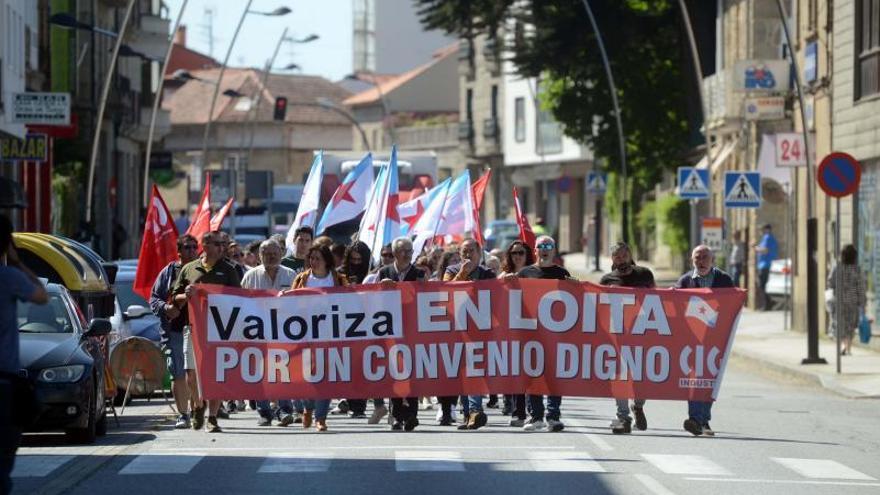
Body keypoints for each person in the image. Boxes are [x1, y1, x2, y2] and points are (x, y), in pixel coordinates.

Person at [171, 230, 241, 433]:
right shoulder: (189, 269)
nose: (221, 247)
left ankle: (212, 417)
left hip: (219, 329)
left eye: (223, 244)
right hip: (193, 327)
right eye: (217, 244)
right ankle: (197, 405)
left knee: (216, 373)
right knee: (190, 374)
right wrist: (186, 295)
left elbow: (238, 299)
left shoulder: (229, 270)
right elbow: (174, 297)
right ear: (205, 245)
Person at [1, 215, 49, 495]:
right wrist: (17, 261)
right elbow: (42, 295)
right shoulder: (9, 278)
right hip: (4, 382)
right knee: (3, 461)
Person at [505, 235, 571, 432]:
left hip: (555, 333)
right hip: (530, 332)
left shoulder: (562, 273)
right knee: (532, 375)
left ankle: (553, 416)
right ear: (535, 251)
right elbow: (511, 299)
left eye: (549, 245)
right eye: (541, 246)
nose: (545, 249)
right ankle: (536, 417)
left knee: (553, 376)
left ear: (554, 250)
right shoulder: (526, 272)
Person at [282, 244, 349, 432]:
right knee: (306, 375)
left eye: (318, 258)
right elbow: (290, 302)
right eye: (311, 258)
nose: (313, 261)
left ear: (326, 260)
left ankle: (321, 417)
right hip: (304, 334)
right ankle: (308, 408)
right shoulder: (302, 279)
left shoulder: (337, 279)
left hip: (329, 335)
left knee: (324, 377)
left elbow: (351, 301)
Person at [674, 245, 735, 437]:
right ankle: (695, 419)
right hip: (691, 341)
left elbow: (732, 305)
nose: (701, 262)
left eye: (704, 257)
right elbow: (675, 307)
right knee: (693, 379)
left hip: (715, 340)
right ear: (692, 261)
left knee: (709, 380)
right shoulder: (684, 281)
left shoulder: (724, 280)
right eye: (697, 258)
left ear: (712, 260)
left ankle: (703, 421)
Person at [599, 242, 655, 434]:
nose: (621, 259)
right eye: (617, 256)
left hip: (643, 334)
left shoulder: (644, 274)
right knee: (620, 377)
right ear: (612, 259)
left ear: (630, 256)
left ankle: (638, 405)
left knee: (644, 377)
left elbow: (658, 300)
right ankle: (623, 417)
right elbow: (599, 308)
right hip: (617, 337)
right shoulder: (607, 279)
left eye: (624, 255)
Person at [241, 240, 297, 426]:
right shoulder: (250, 277)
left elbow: (299, 302)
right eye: (266, 253)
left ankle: (285, 410)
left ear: (281, 254)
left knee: (283, 372)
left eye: (274, 253)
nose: (271, 256)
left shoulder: (291, 275)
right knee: (260, 374)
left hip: (284, 332)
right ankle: (264, 412)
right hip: (257, 333)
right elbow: (239, 303)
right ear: (260, 256)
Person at [444, 239, 497, 430]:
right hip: (457, 329)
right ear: (459, 253)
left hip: (479, 330)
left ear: (479, 252)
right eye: (464, 251)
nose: (468, 254)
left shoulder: (487, 273)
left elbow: (497, 296)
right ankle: (468, 414)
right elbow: (446, 291)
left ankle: (474, 410)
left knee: (474, 370)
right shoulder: (451, 271)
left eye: (471, 251)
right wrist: (463, 272)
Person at [149, 234, 199, 429]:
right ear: (179, 251)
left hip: (200, 330)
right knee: (178, 373)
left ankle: (198, 410)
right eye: (187, 247)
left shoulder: (203, 270)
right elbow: (154, 298)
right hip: (174, 331)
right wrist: (165, 308)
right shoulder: (169, 272)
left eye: (195, 247)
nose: (192, 250)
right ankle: (184, 414)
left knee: (196, 373)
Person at [378, 237, 429, 431]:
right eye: (403, 250)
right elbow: (374, 299)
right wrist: (381, 286)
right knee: (395, 374)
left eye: (410, 250)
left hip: (412, 331)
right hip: (391, 330)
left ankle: (411, 415)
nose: (407, 254)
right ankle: (397, 416)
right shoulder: (384, 272)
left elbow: (428, 299)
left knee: (412, 374)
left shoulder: (419, 273)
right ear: (395, 253)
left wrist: (424, 286)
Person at [336, 241, 379, 419]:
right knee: (347, 366)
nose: (356, 263)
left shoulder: (372, 273)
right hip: (344, 324)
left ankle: (359, 405)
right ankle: (349, 400)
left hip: (367, 323)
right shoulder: (339, 274)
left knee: (363, 366)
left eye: (359, 260)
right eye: (353, 260)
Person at [499, 240, 536, 426]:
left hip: (534, 328)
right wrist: (503, 283)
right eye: (514, 253)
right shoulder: (504, 274)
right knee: (517, 372)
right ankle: (518, 413)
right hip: (513, 329)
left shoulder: (535, 273)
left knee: (532, 372)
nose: (518, 256)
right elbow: (493, 293)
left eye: (521, 253)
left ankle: (534, 411)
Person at [828, 244, 867, 357]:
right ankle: (847, 347)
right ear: (855, 256)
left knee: (840, 324)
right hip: (852, 302)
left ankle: (844, 346)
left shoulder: (837, 268)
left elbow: (830, 282)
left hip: (839, 301)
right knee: (850, 326)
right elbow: (860, 287)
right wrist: (862, 303)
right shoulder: (857, 269)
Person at [754, 223, 778, 310]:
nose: (761, 231)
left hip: (765, 265)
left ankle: (767, 304)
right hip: (764, 265)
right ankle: (768, 304)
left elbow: (765, 250)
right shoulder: (766, 238)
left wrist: (756, 248)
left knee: (762, 285)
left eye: (762, 229)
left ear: (767, 229)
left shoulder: (768, 237)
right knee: (763, 285)